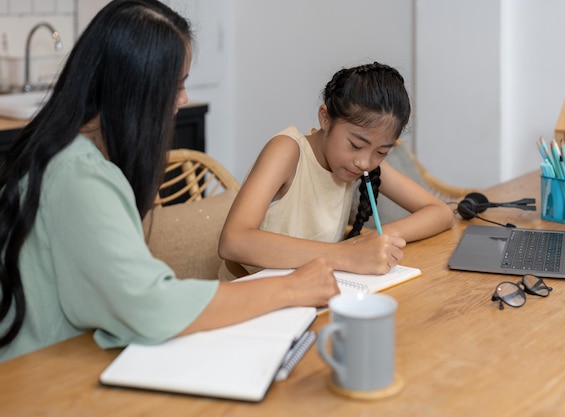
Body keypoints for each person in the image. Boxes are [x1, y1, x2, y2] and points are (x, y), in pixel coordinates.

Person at [0, 0, 338, 363]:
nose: (183, 99)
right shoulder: (80, 177)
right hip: (38, 375)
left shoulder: (61, 151)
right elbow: (151, 304)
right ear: (135, 89)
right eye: (175, 85)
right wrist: (290, 288)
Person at [218, 62, 455, 280]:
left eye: (382, 152)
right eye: (356, 145)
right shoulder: (288, 151)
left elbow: (440, 213)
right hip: (250, 294)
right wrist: (345, 255)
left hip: (309, 292)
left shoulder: (361, 163)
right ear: (325, 118)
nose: (365, 162)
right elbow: (233, 241)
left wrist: (375, 240)